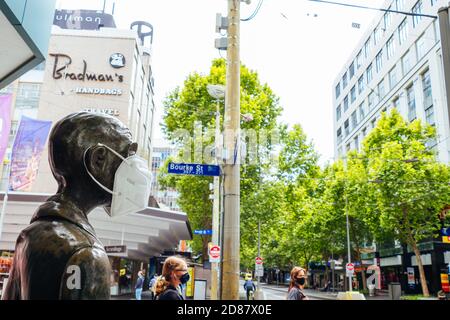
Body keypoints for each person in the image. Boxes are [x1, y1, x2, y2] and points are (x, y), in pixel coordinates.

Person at [2, 112, 151, 300]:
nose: (133, 166)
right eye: (127, 154)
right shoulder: (87, 254)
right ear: (98, 161)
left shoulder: (30, 234)